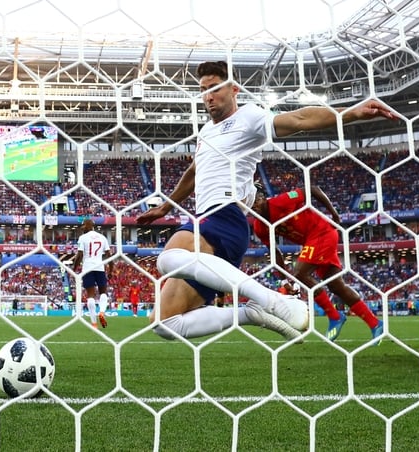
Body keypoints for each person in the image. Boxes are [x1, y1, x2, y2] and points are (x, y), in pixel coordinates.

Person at [135, 60, 395, 341]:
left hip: (224, 215)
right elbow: (193, 171)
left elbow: (298, 120)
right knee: (164, 324)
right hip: (211, 226)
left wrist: (351, 113)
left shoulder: (249, 117)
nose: (208, 96)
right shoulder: (207, 132)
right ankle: (252, 312)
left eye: (214, 89)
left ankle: (271, 299)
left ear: (234, 89)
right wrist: (166, 206)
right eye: (203, 90)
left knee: (168, 259)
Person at [251, 184, 384, 344]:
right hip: (312, 241)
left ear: (263, 198)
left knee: (300, 273)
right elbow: (274, 251)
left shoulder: (281, 202)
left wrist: (334, 214)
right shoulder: (259, 226)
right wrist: (284, 280)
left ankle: (334, 316)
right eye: (251, 203)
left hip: (322, 232)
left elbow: (312, 189)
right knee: (337, 287)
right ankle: (375, 324)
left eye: (256, 201)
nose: (254, 206)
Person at [72, 219, 114, 328]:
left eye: (83, 226)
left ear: (88, 225)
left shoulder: (83, 238)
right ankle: (102, 312)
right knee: (103, 292)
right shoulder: (102, 237)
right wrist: (111, 270)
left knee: (90, 295)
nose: (82, 228)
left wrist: (74, 268)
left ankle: (94, 323)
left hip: (87, 268)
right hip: (100, 268)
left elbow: (80, 255)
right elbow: (109, 255)